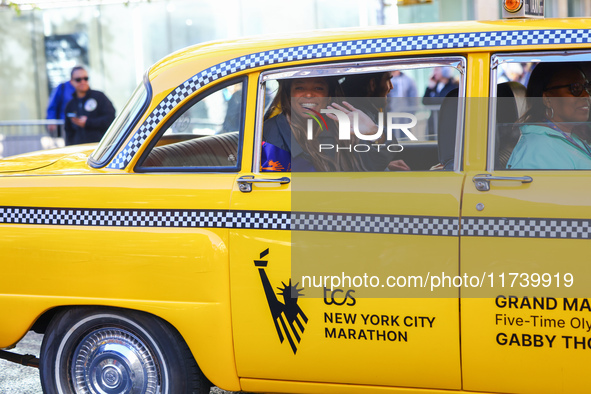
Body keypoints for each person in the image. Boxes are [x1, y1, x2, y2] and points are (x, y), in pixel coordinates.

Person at [261, 77, 388, 172]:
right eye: (299, 88)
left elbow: (371, 167)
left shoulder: (342, 126)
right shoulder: (272, 131)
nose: (309, 94)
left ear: (328, 96)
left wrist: (374, 133)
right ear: (289, 95)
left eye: (318, 88)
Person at [507, 62, 591, 170]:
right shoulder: (537, 151)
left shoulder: (570, 136)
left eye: (586, 87)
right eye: (575, 88)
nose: (587, 95)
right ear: (547, 99)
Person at [63, 66, 116, 146]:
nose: (83, 82)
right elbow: (68, 131)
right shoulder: (70, 105)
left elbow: (111, 119)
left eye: (86, 78)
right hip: (79, 150)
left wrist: (88, 122)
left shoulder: (99, 97)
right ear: (72, 82)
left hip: (100, 148)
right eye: (78, 79)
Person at [422, 67, 459, 138]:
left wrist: (433, 99)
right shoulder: (435, 86)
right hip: (434, 124)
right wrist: (429, 88)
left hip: (447, 124)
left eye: (436, 70)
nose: (434, 73)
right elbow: (425, 101)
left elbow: (443, 101)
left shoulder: (454, 86)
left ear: (445, 71)